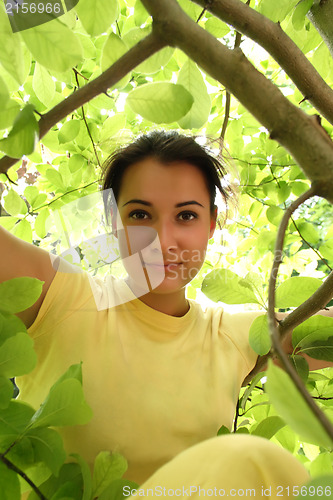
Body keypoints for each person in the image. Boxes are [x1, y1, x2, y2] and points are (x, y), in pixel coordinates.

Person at [0, 130, 323, 497]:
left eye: (186, 215)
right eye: (140, 214)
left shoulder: (232, 333)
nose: (163, 240)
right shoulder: (62, 297)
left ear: (211, 225)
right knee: (253, 459)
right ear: (111, 220)